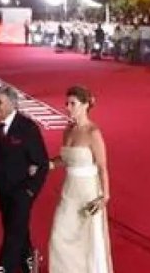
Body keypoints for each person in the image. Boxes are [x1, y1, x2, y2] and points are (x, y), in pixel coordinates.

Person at [0, 86, 49, 273]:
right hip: (3, 193)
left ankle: (4, 267)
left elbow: (42, 163)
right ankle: (29, 261)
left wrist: (30, 191)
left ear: (12, 104)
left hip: (22, 193)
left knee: (13, 234)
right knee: (16, 229)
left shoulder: (27, 128)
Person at [47, 86, 113, 272]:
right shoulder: (67, 131)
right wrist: (48, 165)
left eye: (73, 103)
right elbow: (67, 159)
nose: (68, 107)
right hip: (69, 191)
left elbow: (102, 167)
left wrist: (104, 197)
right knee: (59, 236)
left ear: (85, 105)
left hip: (88, 193)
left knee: (86, 240)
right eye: (67, 103)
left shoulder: (93, 133)